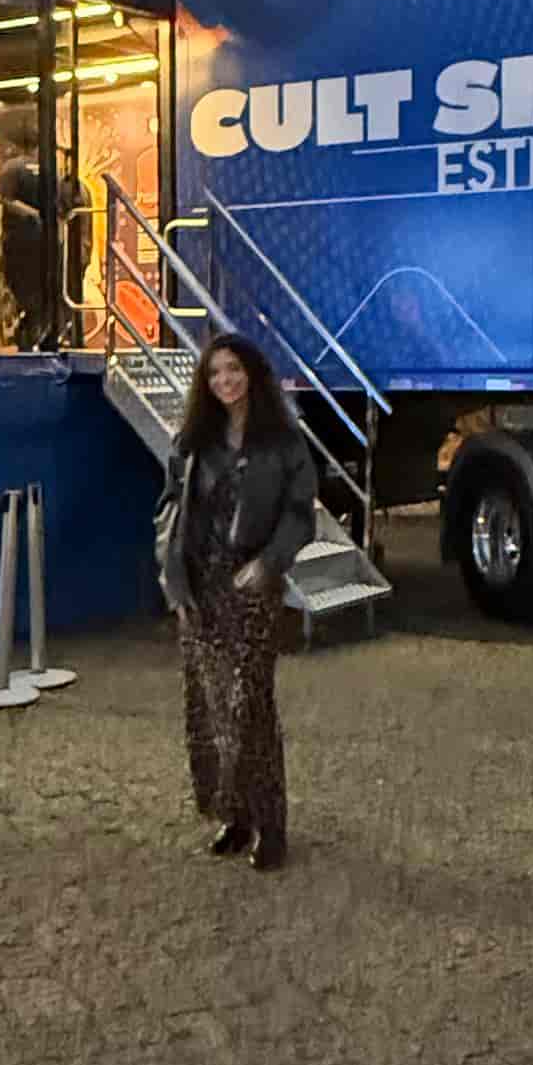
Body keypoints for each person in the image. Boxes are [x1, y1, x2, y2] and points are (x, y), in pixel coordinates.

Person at [155, 333, 317, 870]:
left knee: (251, 707)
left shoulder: (283, 443)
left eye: (234, 370)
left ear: (253, 374)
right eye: (215, 373)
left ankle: (271, 825)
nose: (225, 381)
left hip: (251, 586)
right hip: (200, 587)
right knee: (210, 708)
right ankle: (234, 817)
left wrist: (269, 563)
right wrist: (174, 584)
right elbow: (169, 515)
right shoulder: (192, 442)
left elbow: (299, 516)